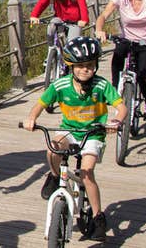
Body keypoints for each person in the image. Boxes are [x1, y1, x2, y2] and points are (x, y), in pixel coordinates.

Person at [23, 36, 127, 242]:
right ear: (71, 66)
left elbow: (121, 106)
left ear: (96, 65)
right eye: (79, 66)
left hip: (94, 132)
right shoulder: (61, 85)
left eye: (89, 65)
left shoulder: (101, 85)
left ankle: (98, 217)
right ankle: (54, 177)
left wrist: (117, 120)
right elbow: (41, 104)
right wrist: (31, 118)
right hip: (69, 129)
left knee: (87, 172)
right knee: (53, 149)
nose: (85, 70)